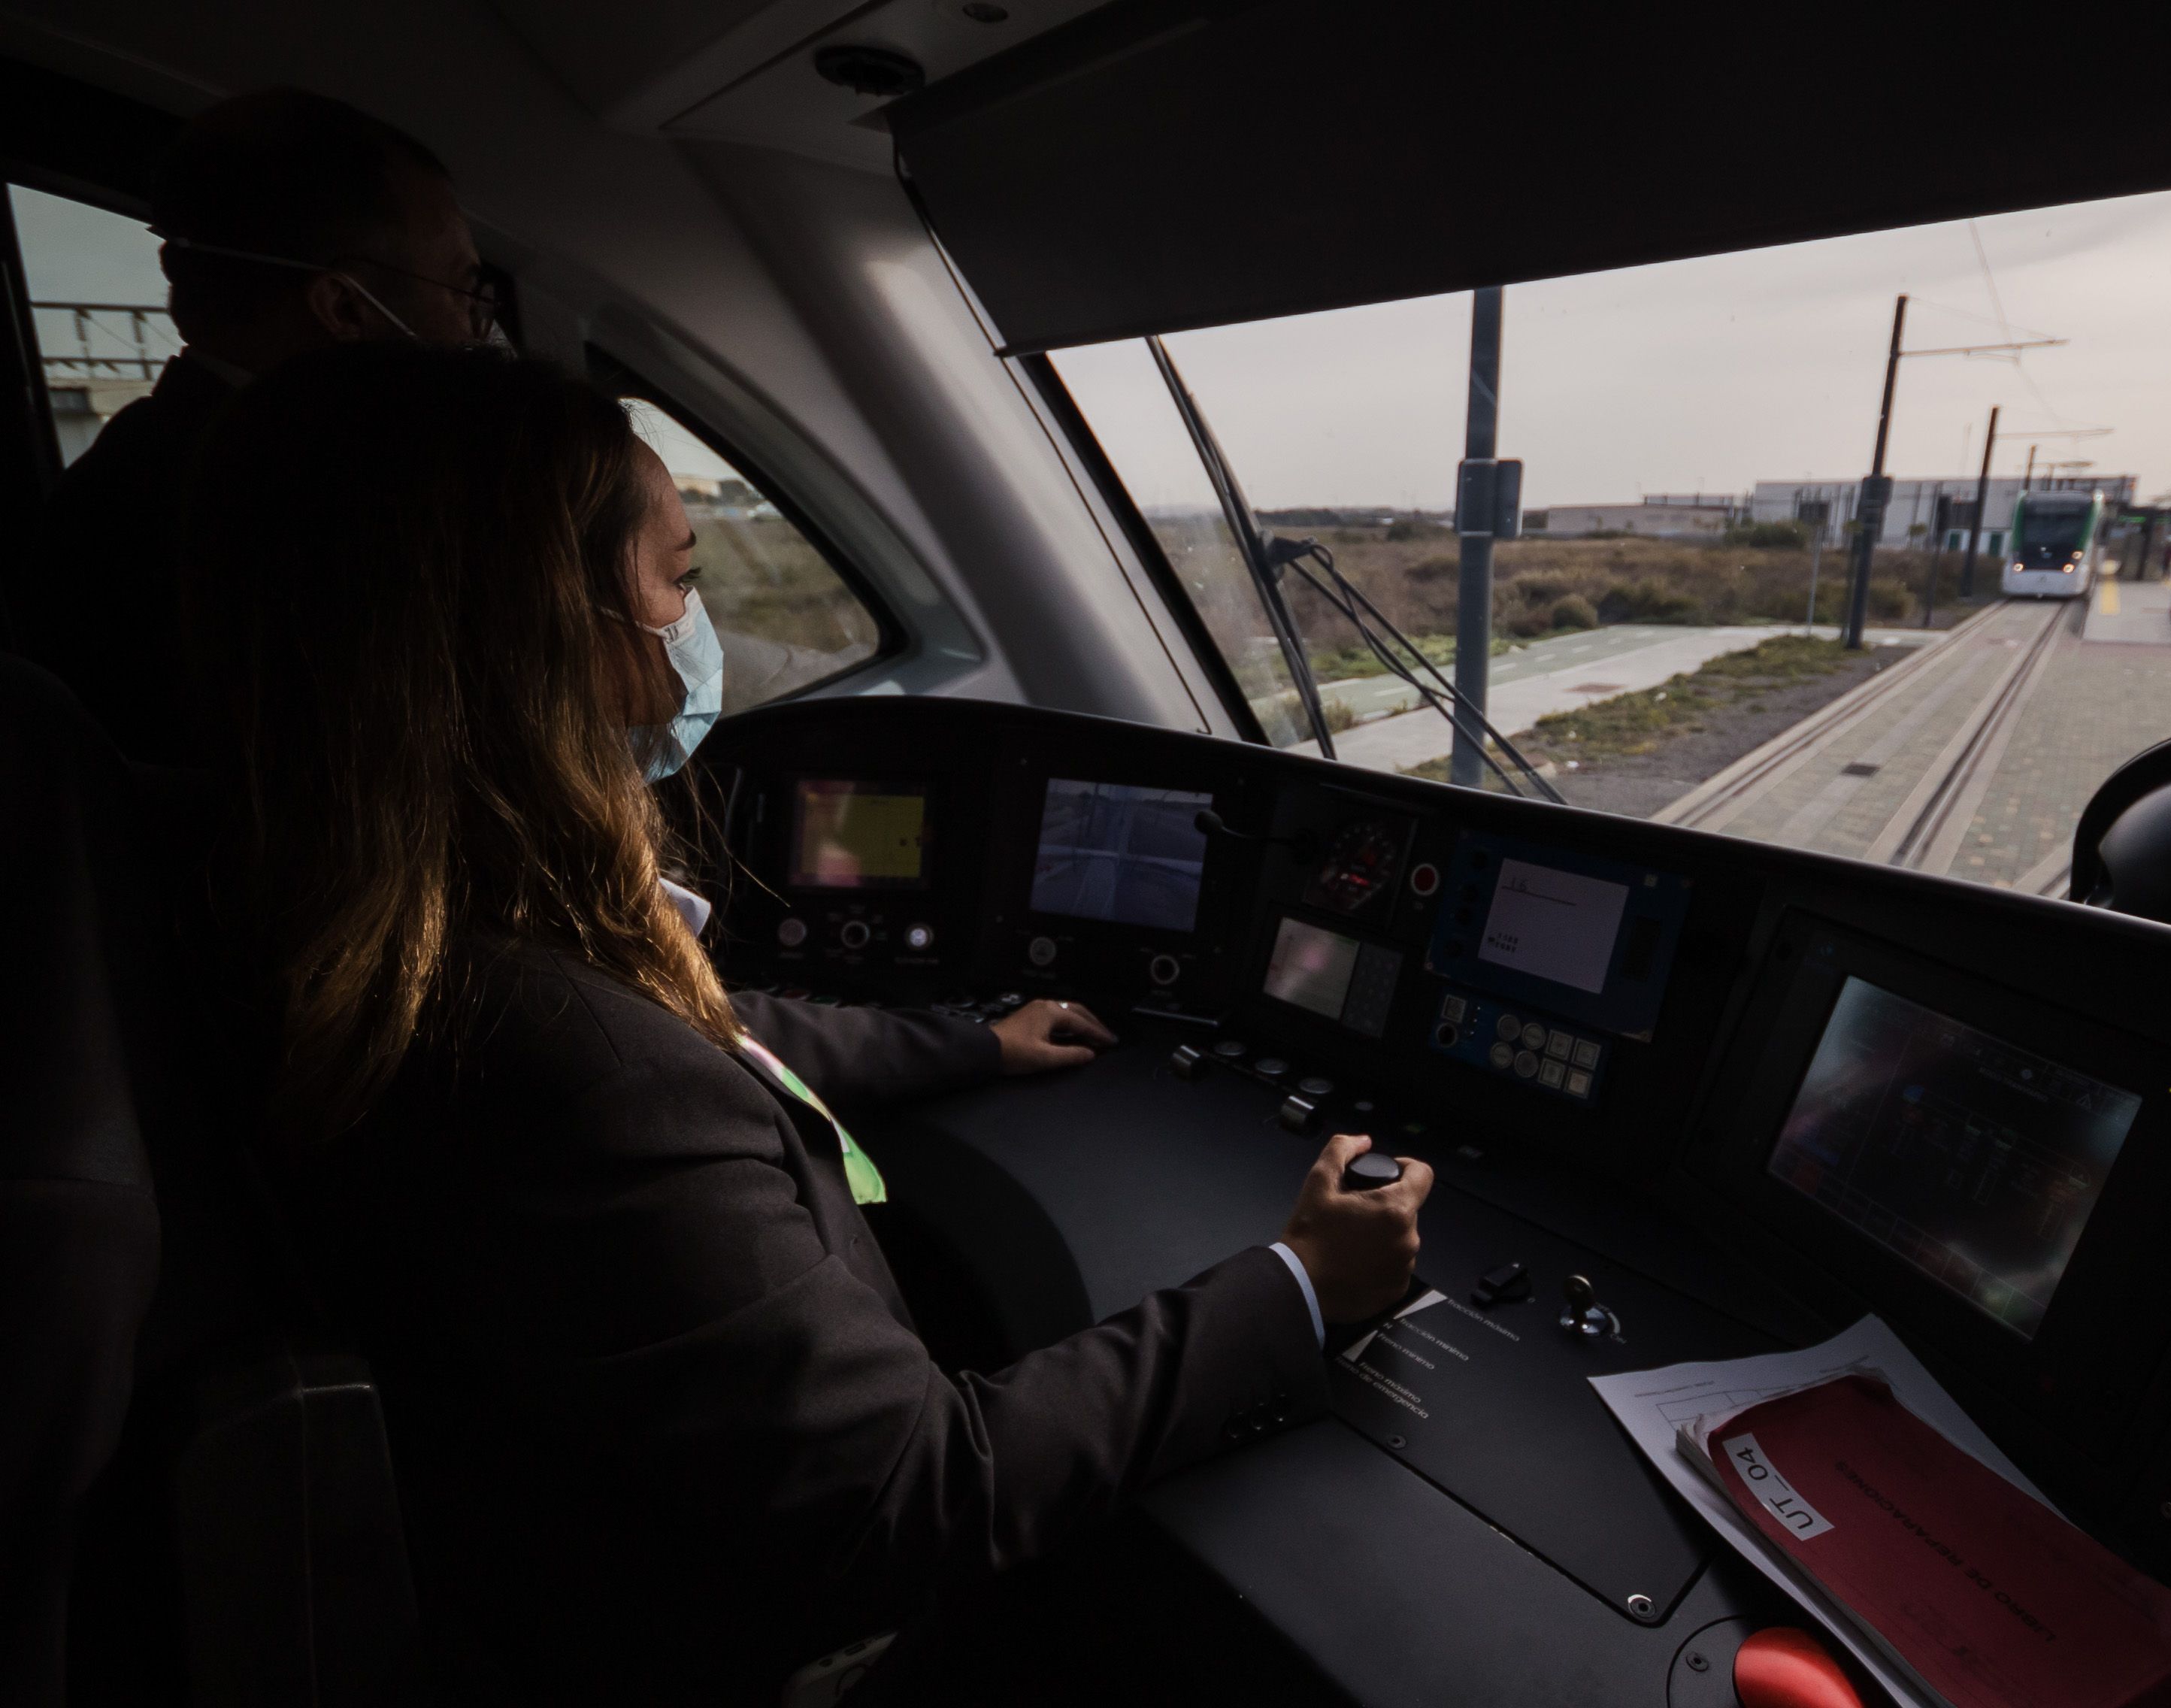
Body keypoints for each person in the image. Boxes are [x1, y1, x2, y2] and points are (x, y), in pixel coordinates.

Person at [180, 341, 1434, 1706]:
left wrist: (973, 1040)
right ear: (549, 631)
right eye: (679, 579)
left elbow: (708, 1031)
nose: (692, 620)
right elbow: (911, 1494)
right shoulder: (567, 1067)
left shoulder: (358, 925)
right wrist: (1300, 1279)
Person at [12, 89, 492, 765]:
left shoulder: (153, 470)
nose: (477, 328)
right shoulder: (279, 523)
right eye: (463, 291)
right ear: (345, 309)